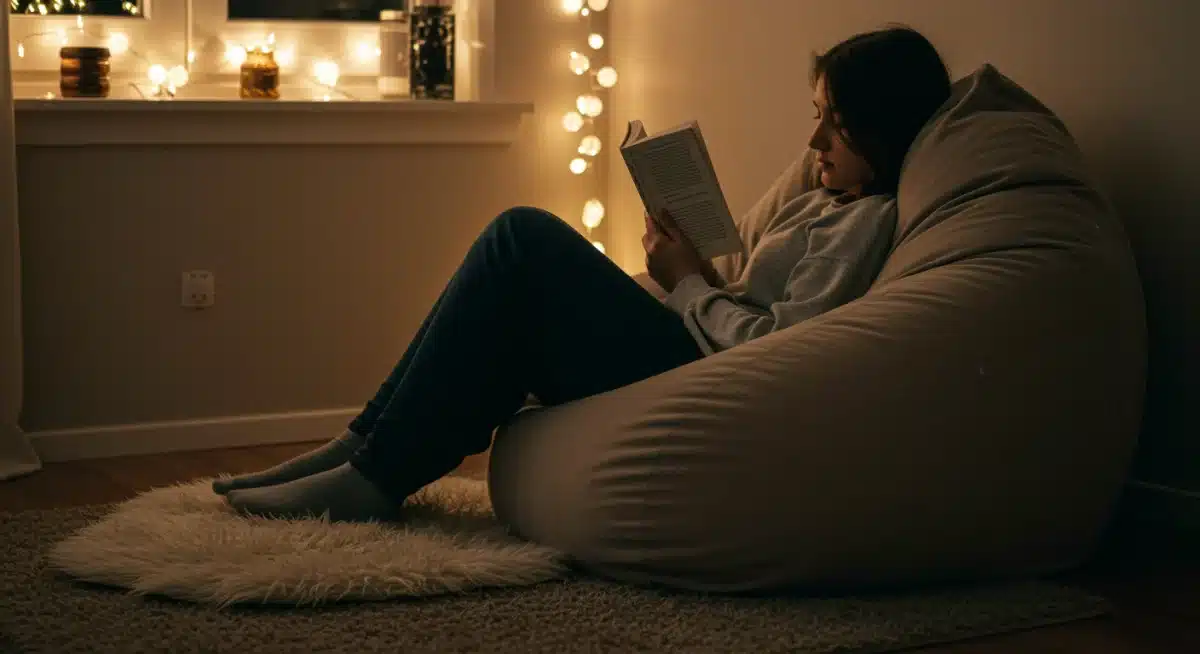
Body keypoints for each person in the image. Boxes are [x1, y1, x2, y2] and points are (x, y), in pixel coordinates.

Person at [213, 25, 953, 522]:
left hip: (709, 374)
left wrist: (688, 283)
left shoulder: (866, 223)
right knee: (514, 295)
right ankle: (362, 447)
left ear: (882, 125)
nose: (815, 138)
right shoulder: (824, 196)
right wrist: (688, 271)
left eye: (835, 121)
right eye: (817, 114)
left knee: (521, 237)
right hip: (691, 337)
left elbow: (782, 347)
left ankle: (370, 473)